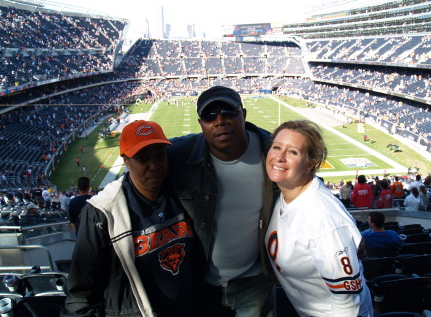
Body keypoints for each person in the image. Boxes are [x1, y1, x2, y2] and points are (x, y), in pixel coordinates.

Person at [63, 120, 195, 317]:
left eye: (160, 156)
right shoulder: (102, 212)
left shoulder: (182, 194)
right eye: (143, 158)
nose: (154, 166)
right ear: (126, 160)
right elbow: (81, 294)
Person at [167, 86, 277, 317]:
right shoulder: (179, 155)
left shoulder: (273, 150)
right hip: (199, 282)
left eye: (228, 112)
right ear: (201, 124)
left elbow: (309, 186)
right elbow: (139, 173)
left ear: (243, 115)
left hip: (255, 281)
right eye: (210, 116)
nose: (220, 121)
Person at [264, 120, 373, 316]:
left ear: (310, 164)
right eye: (277, 147)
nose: (279, 157)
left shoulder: (322, 218)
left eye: (293, 152)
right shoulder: (288, 190)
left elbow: (347, 305)